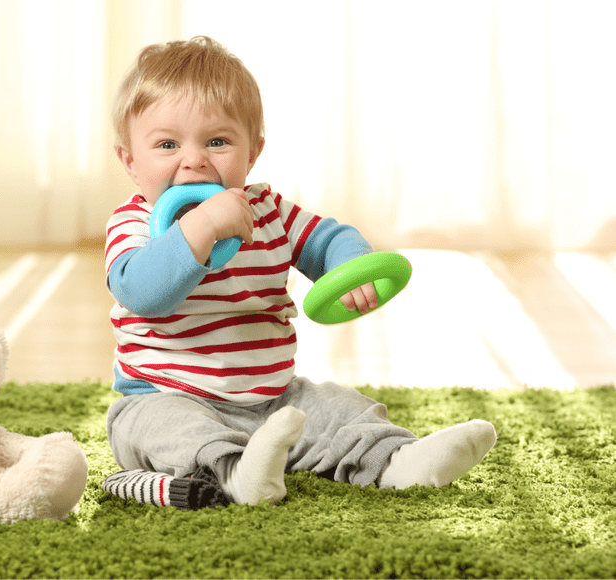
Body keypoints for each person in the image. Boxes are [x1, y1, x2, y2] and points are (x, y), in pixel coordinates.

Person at [103, 36, 496, 506]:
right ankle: (233, 475)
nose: (195, 160)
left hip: (273, 398)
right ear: (130, 161)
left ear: (252, 152)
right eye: (167, 144)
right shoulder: (134, 225)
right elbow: (143, 291)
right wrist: (203, 225)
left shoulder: (267, 211)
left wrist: (350, 267)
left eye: (218, 141)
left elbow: (329, 238)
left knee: (339, 408)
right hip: (165, 395)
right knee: (157, 429)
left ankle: (397, 461)